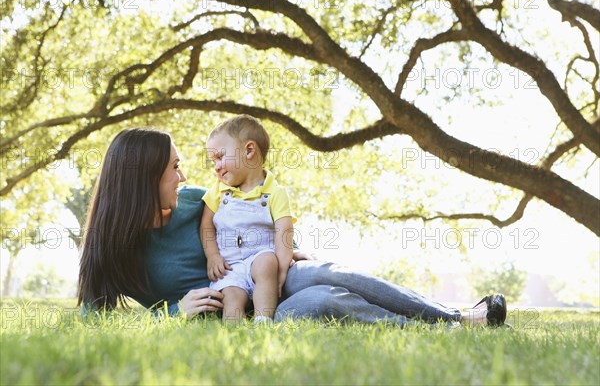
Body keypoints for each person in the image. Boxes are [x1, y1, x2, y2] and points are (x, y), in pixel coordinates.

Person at [78, 127, 507, 328]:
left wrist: (286, 248)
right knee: (322, 300)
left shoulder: (197, 203)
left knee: (323, 273)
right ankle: (444, 330)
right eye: (174, 167)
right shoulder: (115, 250)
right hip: (251, 315)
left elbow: (257, 215)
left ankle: (458, 317)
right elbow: (90, 321)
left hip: (274, 273)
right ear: (144, 176)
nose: (184, 176)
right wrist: (174, 314)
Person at [200, 115, 293, 324]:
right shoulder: (218, 191)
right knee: (231, 295)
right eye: (213, 161)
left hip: (260, 259)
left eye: (220, 157)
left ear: (249, 151)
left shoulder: (275, 193)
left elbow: (284, 233)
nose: (216, 166)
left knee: (267, 262)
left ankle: (263, 321)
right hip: (230, 266)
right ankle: (236, 335)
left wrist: (282, 271)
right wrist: (212, 256)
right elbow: (206, 225)